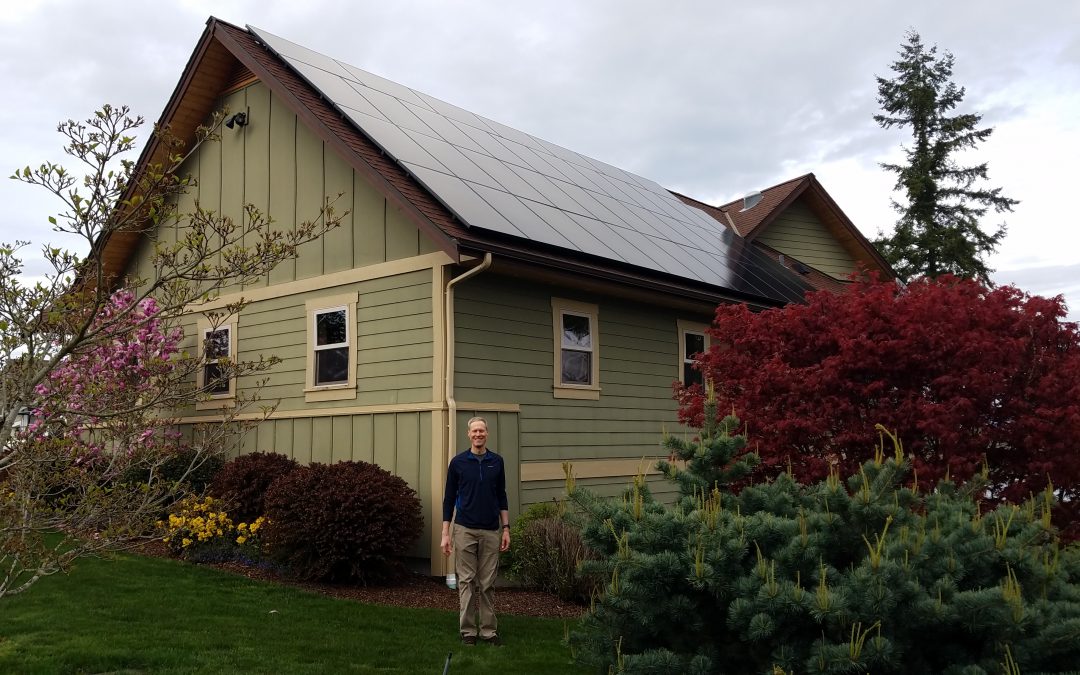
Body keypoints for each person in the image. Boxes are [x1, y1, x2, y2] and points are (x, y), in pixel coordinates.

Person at [441, 416, 510, 646]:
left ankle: (489, 631)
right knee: (467, 582)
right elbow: (449, 499)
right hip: (464, 529)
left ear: (487, 433)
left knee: (488, 583)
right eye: (474, 431)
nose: (478, 434)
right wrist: (445, 534)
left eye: (482, 431)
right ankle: (468, 631)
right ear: (468, 434)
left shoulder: (497, 462)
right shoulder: (458, 463)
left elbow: (502, 496)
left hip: (491, 530)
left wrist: (506, 528)